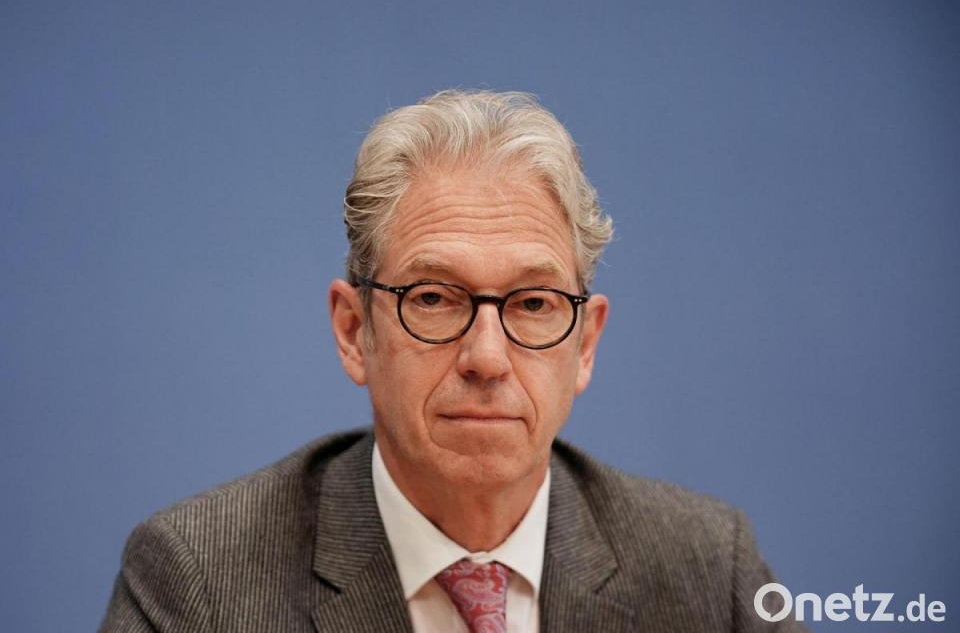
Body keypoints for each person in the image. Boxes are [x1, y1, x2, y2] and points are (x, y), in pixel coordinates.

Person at [100, 90, 805, 632]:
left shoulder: (709, 569)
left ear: (585, 345)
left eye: (533, 303)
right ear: (354, 331)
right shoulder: (200, 581)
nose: (487, 357)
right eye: (434, 298)